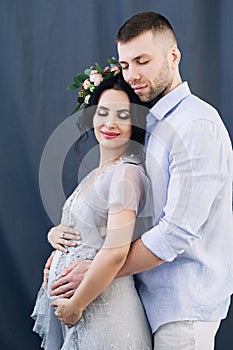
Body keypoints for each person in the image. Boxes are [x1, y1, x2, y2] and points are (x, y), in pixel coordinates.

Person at [45, 12, 233, 349]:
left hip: (183, 306)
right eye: (126, 64)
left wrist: (93, 271)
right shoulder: (154, 123)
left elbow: (176, 232)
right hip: (151, 301)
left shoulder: (195, 125)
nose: (132, 75)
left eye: (142, 61)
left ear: (173, 56)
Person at [31, 67, 152, 349]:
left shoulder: (126, 174)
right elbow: (86, 226)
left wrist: (76, 305)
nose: (110, 123)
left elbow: (116, 251)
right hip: (85, 310)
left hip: (104, 312)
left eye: (123, 115)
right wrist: (56, 235)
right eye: (103, 112)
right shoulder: (96, 174)